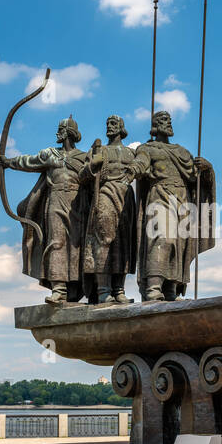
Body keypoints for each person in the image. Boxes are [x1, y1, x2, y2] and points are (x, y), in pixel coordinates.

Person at [0, 116, 90, 304]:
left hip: (78, 203)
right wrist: (8, 162)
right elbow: (28, 161)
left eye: (61, 129)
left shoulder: (83, 157)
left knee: (76, 245)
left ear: (68, 133)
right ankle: (59, 289)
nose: (58, 132)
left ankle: (76, 287)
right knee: (56, 241)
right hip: (55, 200)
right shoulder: (50, 155)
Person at [134, 109, 216, 302]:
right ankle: (153, 287)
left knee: (180, 244)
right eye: (163, 119)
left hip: (182, 199)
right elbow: (140, 165)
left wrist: (207, 168)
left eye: (169, 119)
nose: (168, 122)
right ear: (154, 126)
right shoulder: (147, 149)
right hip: (160, 195)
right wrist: (131, 170)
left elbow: (195, 177)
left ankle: (170, 288)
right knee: (163, 237)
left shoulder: (182, 152)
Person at [80, 114, 139, 304]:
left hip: (126, 197)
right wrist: (92, 166)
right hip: (105, 194)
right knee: (103, 240)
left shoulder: (131, 154)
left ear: (121, 127)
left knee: (122, 243)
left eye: (113, 124)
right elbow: (83, 175)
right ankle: (103, 290)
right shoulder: (99, 150)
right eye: (107, 124)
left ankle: (118, 289)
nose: (109, 127)